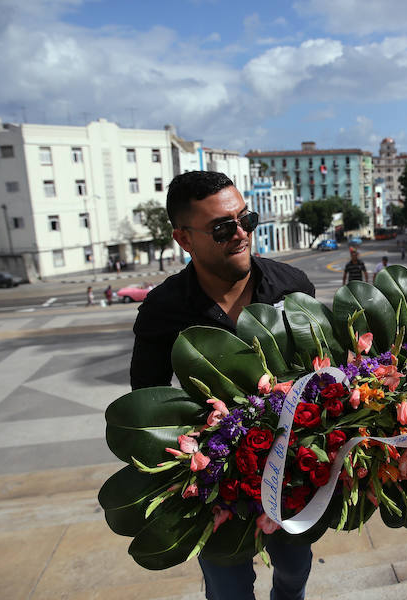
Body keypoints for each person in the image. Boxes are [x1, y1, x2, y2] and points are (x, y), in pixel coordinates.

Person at [130, 171, 315, 600]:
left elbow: (322, 374)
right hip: (216, 482)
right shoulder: (164, 309)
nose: (241, 234)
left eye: (245, 219)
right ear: (184, 239)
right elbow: (147, 403)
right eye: (221, 228)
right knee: (228, 590)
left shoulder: (292, 287)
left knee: (294, 572)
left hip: (292, 472)